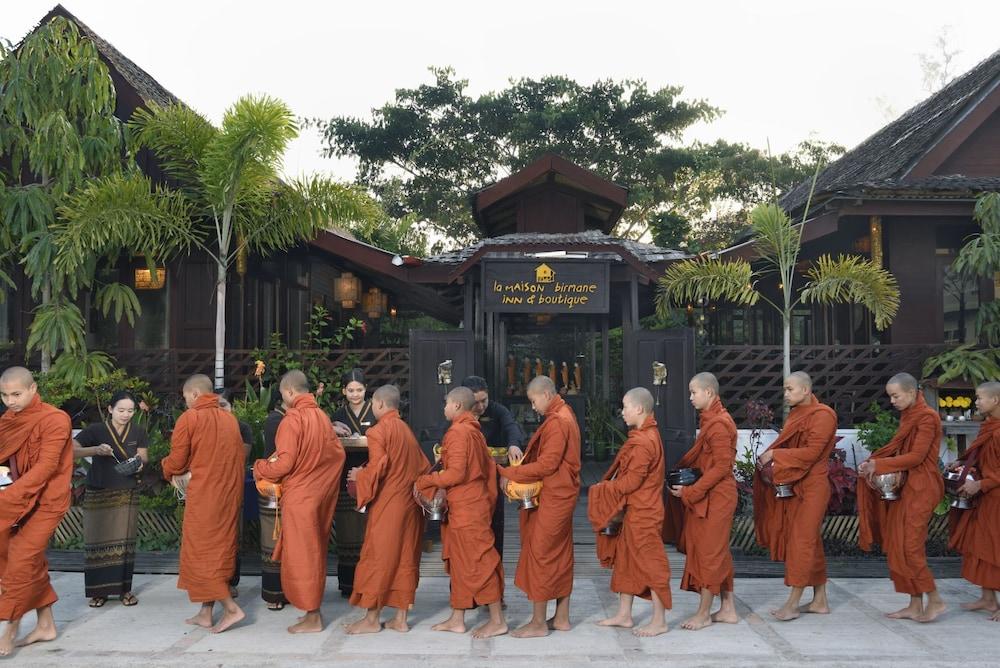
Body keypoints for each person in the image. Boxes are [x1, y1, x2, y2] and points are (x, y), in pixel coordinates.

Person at [253, 370, 345, 633]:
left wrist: (260, 467)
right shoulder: (322, 417)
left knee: (303, 556)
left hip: (300, 497)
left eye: (282, 394)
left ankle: (313, 615)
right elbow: (336, 456)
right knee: (313, 553)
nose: (283, 399)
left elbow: (285, 463)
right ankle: (310, 611)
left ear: (290, 392)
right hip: (319, 497)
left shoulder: (293, 420)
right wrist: (322, 486)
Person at [415, 387, 507, 638]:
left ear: (456, 406)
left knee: (479, 562)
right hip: (467, 504)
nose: (443, 408)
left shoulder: (459, 432)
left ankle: (498, 620)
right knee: (460, 563)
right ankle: (457, 618)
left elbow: (456, 473)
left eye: (446, 403)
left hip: (469, 508)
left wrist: (427, 481)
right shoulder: (472, 430)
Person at [856, 373, 946, 622]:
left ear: (911, 391)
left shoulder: (927, 417)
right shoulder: (909, 415)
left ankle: (935, 600)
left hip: (923, 486)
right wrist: (875, 463)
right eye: (890, 396)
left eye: (896, 396)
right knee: (898, 543)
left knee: (910, 545)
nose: (892, 401)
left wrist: (879, 464)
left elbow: (916, 457)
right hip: (906, 486)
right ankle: (915, 604)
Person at [497, 375, 581, 638]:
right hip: (563, 494)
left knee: (541, 553)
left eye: (533, 401)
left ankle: (538, 623)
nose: (533, 407)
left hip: (556, 496)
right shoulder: (566, 413)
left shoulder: (558, 421)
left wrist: (509, 472)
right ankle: (562, 618)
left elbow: (547, 465)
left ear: (545, 394)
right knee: (561, 553)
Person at [161, 374, 246, 633]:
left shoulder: (191, 418)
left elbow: (177, 460)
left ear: (195, 394)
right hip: (229, 496)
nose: (186, 401)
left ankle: (231, 608)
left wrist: (166, 469)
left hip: (205, 497)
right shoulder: (230, 420)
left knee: (201, 554)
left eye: (186, 397)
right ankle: (205, 612)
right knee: (218, 551)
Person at [0, 367, 74, 657]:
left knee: (21, 558)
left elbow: (46, 467)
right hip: (15, 499)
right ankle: (46, 625)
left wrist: (10, 495)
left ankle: (11, 629)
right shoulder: (9, 421)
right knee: (11, 555)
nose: (10, 401)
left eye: (16, 394)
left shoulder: (56, 419)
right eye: (4, 395)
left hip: (46, 501)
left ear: (33, 389)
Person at [345, 385, 430, 634]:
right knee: (405, 557)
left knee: (377, 557)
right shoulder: (406, 430)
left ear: (380, 404)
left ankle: (372, 619)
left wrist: (360, 475)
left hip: (389, 504)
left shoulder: (378, 431)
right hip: (410, 505)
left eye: (373, 403)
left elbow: (378, 466)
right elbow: (423, 466)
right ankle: (400, 619)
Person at [753, 371, 837, 622]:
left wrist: (775, 456)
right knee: (811, 542)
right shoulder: (797, 414)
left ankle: (792, 603)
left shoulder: (823, 415)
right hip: (795, 484)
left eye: (790, 389)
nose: (786, 394)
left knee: (801, 542)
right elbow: (788, 443)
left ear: (805, 390)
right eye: (785, 389)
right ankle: (820, 600)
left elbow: (811, 453)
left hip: (813, 487)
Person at [589, 387, 672, 637]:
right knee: (625, 560)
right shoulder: (643, 435)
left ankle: (659, 620)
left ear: (639, 409)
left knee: (651, 563)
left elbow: (631, 482)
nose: (622, 412)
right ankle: (625, 615)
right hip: (634, 510)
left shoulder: (645, 441)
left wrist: (601, 488)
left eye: (625, 407)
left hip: (645, 512)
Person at [665, 372, 738, 630]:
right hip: (712, 494)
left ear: (709, 392)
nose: (690, 397)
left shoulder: (719, 425)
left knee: (709, 553)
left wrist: (691, 493)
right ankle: (728, 608)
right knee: (717, 551)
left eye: (694, 392)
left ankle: (704, 613)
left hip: (717, 497)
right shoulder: (711, 420)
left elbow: (721, 468)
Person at [73, 391, 149, 608]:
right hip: (99, 490)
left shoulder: (138, 431)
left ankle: (124, 590)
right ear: (110, 409)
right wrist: (96, 450)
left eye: (130, 411)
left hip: (127, 491)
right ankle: (99, 592)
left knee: (124, 544)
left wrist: (140, 463)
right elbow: (71, 449)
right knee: (97, 542)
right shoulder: (96, 430)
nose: (126, 414)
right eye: (121, 410)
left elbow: (143, 456)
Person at [948, 381, 1000, 621]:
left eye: (980, 398)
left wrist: (980, 484)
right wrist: (962, 464)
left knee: (996, 547)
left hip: (995, 494)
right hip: (986, 498)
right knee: (981, 545)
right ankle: (988, 598)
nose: (976, 402)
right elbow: (979, 456)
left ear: (995, 400)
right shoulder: (989, 426)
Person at [461, 375, 525, 563]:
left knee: (494, 525)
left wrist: (514, 444)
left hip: (493, 476)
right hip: (466, 480)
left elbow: (512, 427)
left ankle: (495, 570)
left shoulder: (497, 411)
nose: (481, 407)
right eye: (476, 402)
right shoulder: (458, 414)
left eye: (484, 401)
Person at [330, 368, 372, 597]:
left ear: (366, 389)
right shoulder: (338, 414)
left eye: (359, 390)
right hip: (345, 476)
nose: (355, 394)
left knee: (368, 531)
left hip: (370, 475)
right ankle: (348, 584)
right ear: (344, 391)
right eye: (351, 390)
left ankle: (368, 583)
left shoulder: (376, 410)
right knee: (347, 531)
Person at [218, 393, 253, 598]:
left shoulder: (242, 428)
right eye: (218, 406)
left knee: (233, 535)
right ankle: (214, 582)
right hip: (210, 488)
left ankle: (231, 581)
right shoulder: (206, 427)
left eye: (225, 405)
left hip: (232, 484)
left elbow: (242, 455)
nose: (222, 409)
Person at [259, 395, 287, 610]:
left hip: (286, 485)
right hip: (272, 487)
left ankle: (287, 590)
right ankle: (274, 594)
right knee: (273, 539)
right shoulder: (276, 421)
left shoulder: (289, 418)